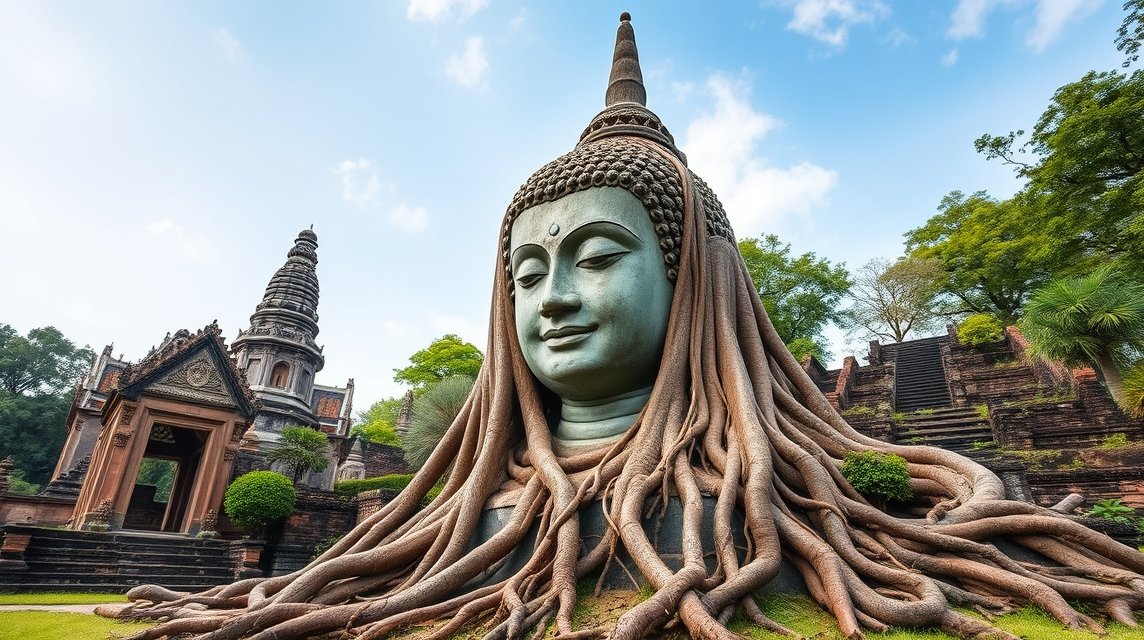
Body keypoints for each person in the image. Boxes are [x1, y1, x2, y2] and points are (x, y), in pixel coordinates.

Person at [115, 14, 1144, 640]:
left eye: (597, 256)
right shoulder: (462, 513)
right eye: (527, 270)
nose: (552, 295)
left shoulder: (771, 497)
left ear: (697, 278)